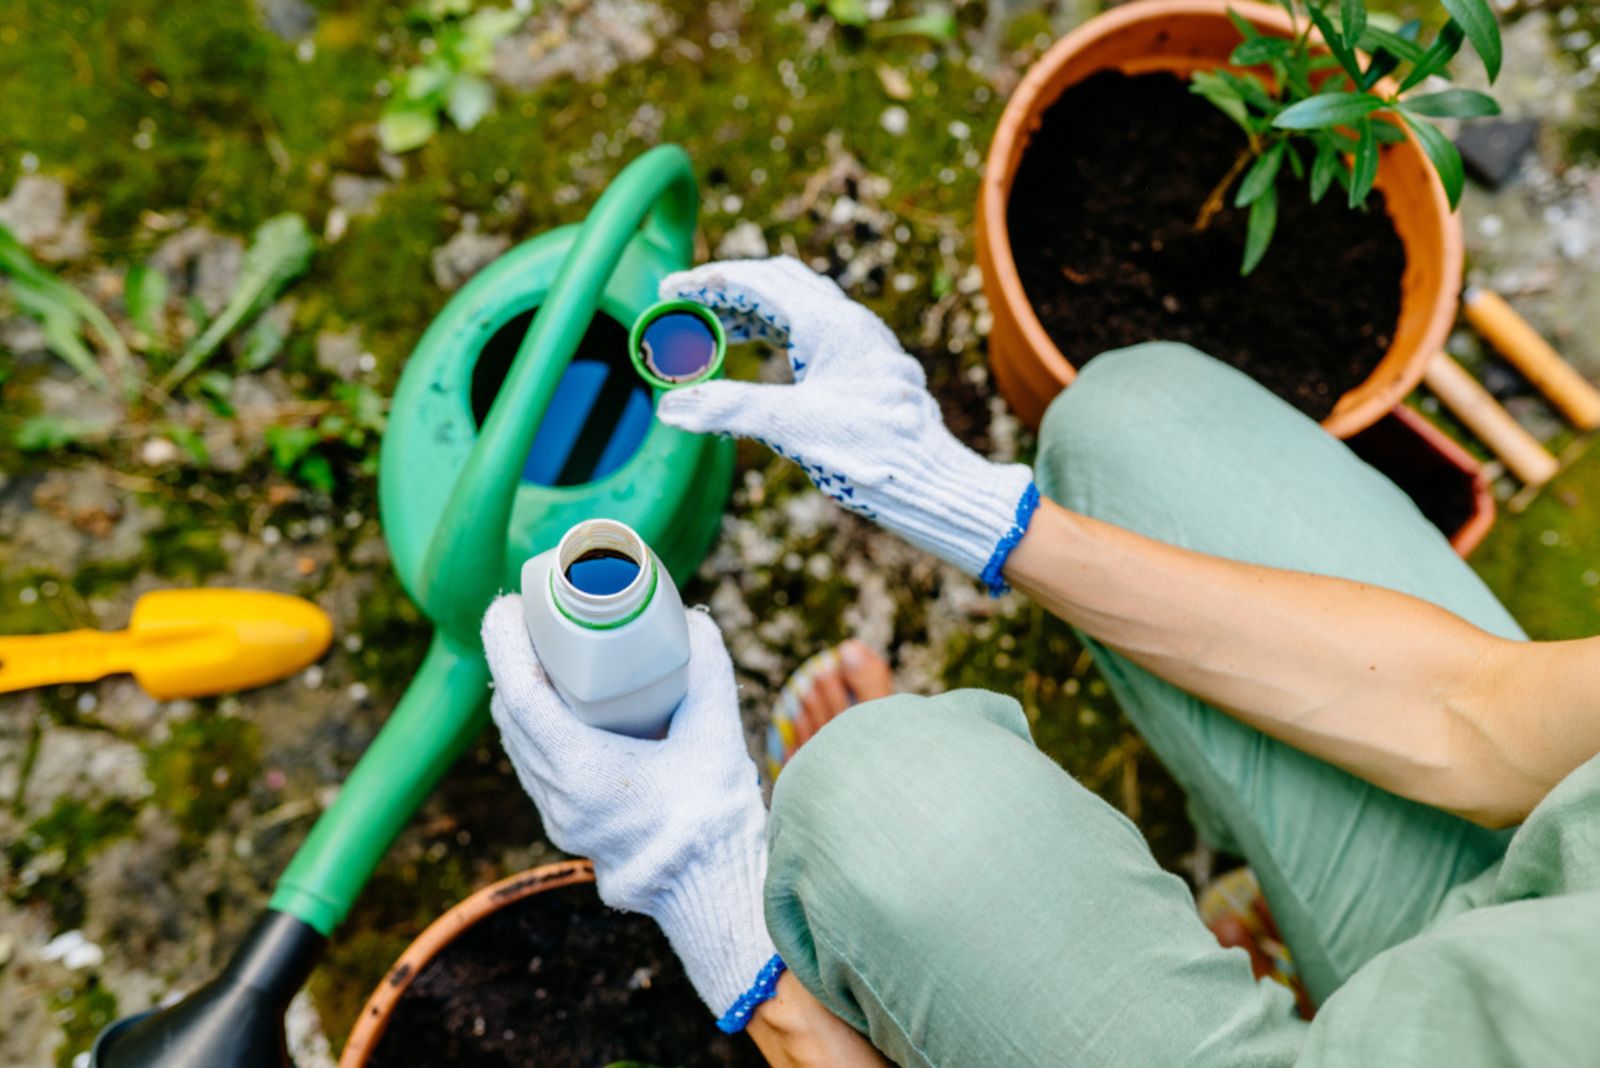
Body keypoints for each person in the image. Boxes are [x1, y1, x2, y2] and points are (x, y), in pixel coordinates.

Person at [481, 257, 1600, 1067]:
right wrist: (957, 497)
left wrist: (718, 914)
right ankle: (1263, 937)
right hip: (1528, 914)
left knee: (880, 809)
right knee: (1139, 425)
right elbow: (1480, 721)